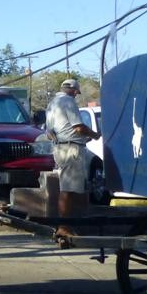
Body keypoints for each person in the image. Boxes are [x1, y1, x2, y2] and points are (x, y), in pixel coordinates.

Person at [45, 78, 100, 247]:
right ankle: (64, 227)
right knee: (68, 189)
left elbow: (49, 132)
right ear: (73, 90)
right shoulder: (68, 102)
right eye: (77, 91)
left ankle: (67, 224)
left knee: (67, 187)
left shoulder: (52, 103)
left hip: (60, 148)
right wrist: (95, 135)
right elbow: (79, 127)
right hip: (71, 150)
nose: (77, 95)